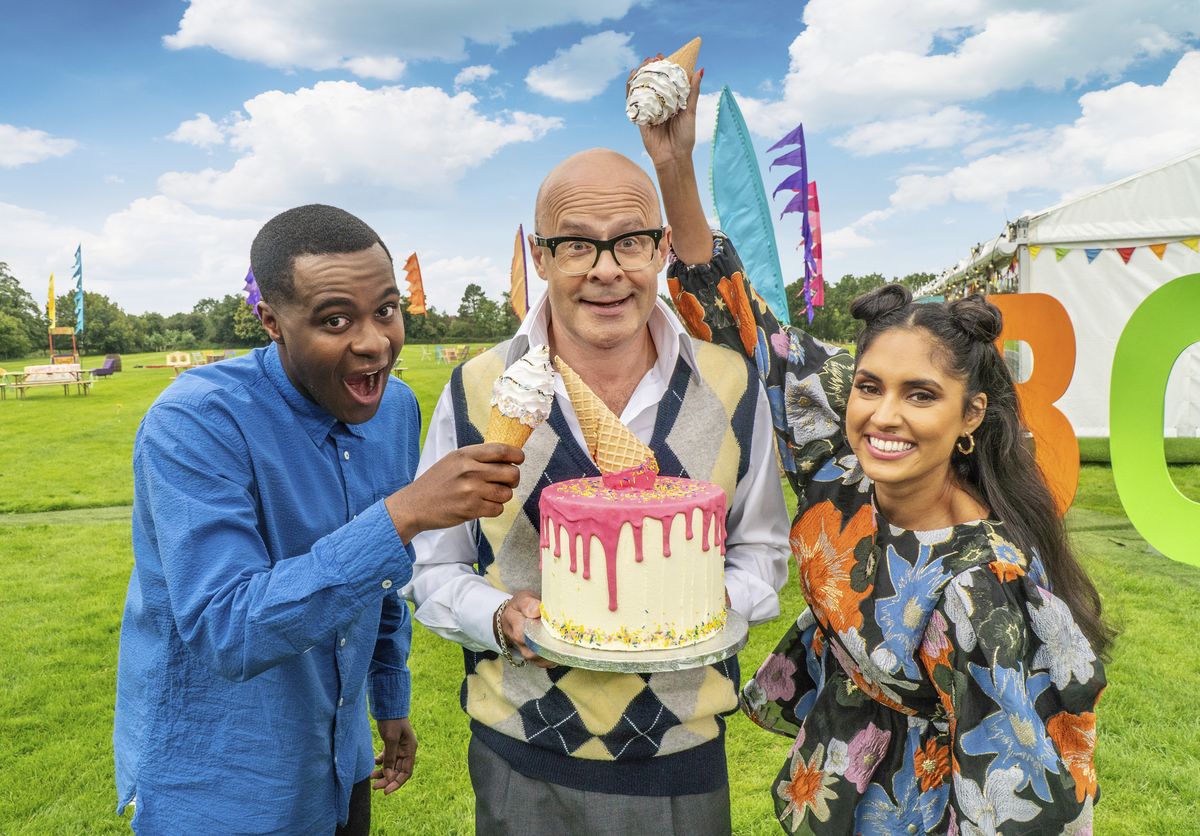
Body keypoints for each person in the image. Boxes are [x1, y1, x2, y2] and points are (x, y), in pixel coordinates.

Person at [640, 67, 1112, 833]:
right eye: (869, 386)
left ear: (972, 415)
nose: (884, 416)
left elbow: (1024, 804)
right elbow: (744, 329)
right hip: (838, 789)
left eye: (920, 395)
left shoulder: (982, 590)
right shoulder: (839, 462)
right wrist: (674, 170)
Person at [406, 145, 791, 834]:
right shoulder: (475, 390)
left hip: (682, 751)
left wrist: (694, 603)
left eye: (631, 242)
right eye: (578, 244)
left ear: (663, 249)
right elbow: (433, 567)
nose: (606, 269)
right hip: (521, 756)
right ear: (542, 255)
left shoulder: (728, 383)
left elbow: (762, 551)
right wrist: (500, 616)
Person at [114, 204, 523, 834]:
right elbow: (227, 628)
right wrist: (403, 514)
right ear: (271, 321)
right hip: (222, 783)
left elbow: (384, 578)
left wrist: (389, 696)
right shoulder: (196, 422)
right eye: (336, 320)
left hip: (338, 762)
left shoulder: (394, 411)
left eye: (386, 310)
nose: (373, 342)